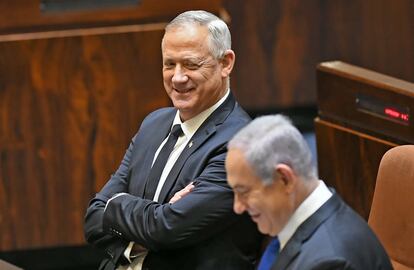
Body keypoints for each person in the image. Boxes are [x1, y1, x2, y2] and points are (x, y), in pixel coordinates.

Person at [84, 10, 262, 270]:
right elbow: (93, 219)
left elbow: (166, 228)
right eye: (169, 64)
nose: (177, 78)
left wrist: (118, 207)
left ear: (226, 63)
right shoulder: (153, 124)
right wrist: (154, 218)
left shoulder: (241, 143)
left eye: (191, 64)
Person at [225, 115, 392, 270]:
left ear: (285, 179)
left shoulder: (330, 263)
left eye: (243, 192)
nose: (237, 207)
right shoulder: (294, 225)